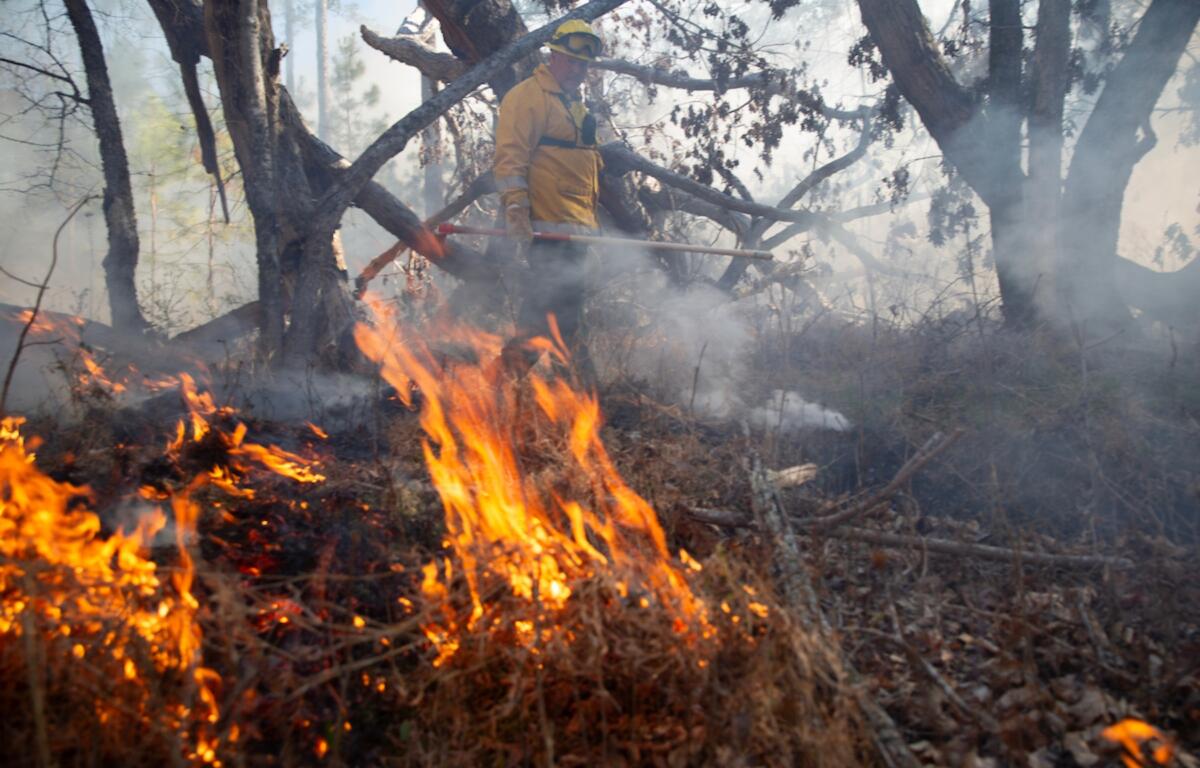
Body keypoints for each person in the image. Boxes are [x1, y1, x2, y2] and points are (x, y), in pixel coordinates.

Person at [492, 20, 603, 383]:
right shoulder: (529, 96)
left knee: (564, 314)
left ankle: (567, 392)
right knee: (547, 312)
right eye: (570, 60)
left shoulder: (574, 106)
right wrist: (516, 210)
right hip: (547, 226)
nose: (577, 69)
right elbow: (510, 157)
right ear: (553, 55)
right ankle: (501, 381)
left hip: (574, 229)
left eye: (583, 64)